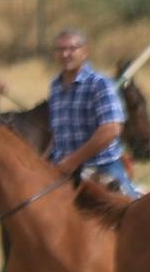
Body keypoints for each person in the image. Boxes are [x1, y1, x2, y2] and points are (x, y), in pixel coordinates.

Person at [47, 27, 138, 196]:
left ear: (85, 52)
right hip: (62, 171)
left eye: (72, 49)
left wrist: (73, 161)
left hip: (102, 168)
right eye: (60, 49)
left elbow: (111, 129)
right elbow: (57, 132)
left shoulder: (100, 83)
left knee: (132, 214)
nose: (66, 54)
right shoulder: (55, 86)